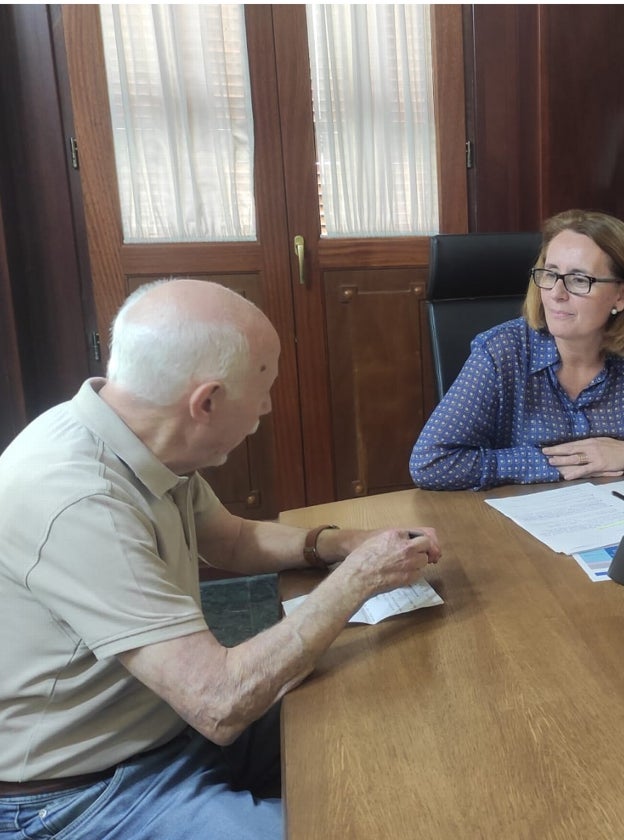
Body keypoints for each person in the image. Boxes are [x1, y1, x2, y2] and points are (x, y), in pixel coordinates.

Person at [0, 279, 442, 839]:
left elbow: (228, 539)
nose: (268, 408)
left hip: (169, 726)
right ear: (206, 401)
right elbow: (220, 702)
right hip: (83, 792)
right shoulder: (79, 499)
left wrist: (335, 544)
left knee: (392, 723)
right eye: (264, 388)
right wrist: (359, 578)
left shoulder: (136, 436)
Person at [409, 209, 624, 491]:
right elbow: (431, 462)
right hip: (522, 534)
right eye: (550, 274)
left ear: (622, 296)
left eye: (579, 280)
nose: (556, 293)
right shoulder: (501, 354)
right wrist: (549, 462)